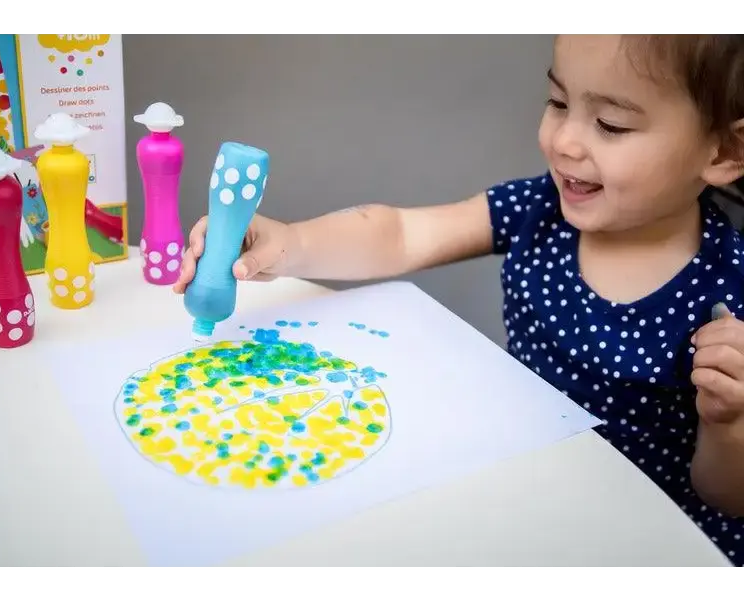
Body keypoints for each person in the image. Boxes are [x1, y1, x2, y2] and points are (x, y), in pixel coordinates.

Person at [174, 33, 744, 566]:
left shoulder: (729, 290)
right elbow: (400, 234)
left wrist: (729, 421)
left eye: (611, 125)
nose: (564, 140)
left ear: (724, 150)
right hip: (521, 503)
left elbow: (726, 495)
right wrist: (289, 244)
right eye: (557, 102)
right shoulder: (541, 211)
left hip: (645, 545)